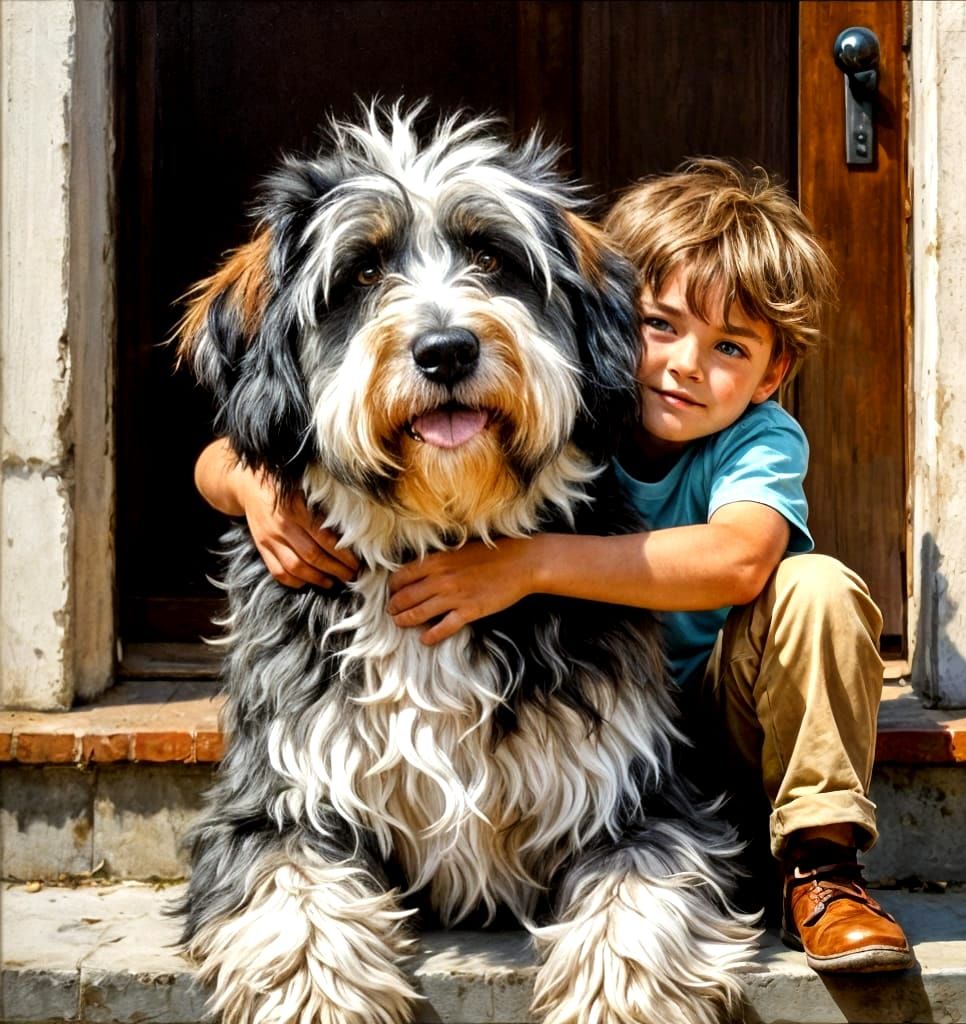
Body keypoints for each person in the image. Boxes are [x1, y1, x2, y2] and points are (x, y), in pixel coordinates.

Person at [194, 159, 914, 974]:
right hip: (371, 591)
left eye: (493, 264)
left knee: (815, 589)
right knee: (288, 894)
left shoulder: (699, 437)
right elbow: (234, 447)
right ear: (624, 327)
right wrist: (252, 484)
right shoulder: (615, 424)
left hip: (709, 725)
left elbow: (741, 556)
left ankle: (821, 865)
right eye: (364, 273)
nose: (444, 331)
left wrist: (528, 563)